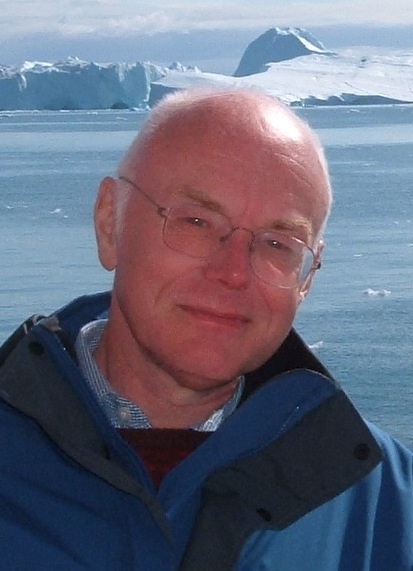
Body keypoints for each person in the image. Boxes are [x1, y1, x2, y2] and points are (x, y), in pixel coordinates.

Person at [0, 88, 412, 571]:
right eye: (195, 221)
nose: (233, 272)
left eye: (278, 244)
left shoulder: (377, 501)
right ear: (110, 223)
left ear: (307, 280)